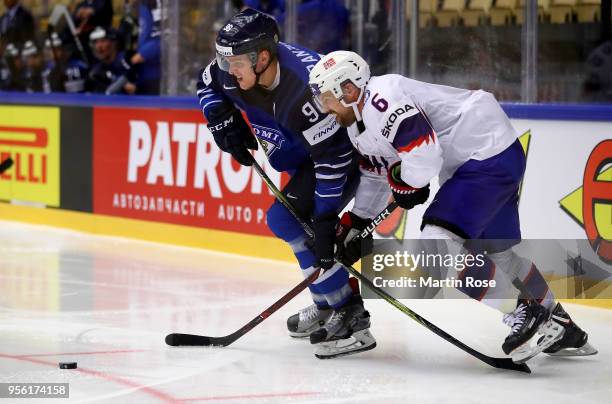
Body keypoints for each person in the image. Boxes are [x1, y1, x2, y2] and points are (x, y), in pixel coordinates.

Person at [308, 50, 598, 363]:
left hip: (484, 153)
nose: (324, 108)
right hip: (487, 156)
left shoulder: (384, 98)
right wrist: (357, 220)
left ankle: (527, 313)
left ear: (348, 90)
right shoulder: (357, 124)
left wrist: (405, 182)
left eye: (326, 98)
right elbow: (378, 174)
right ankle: (560, 323)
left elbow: (423, 156)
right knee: (499, 252)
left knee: (436, 246)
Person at [196, 8, 375, 359]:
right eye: (224, 60)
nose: (227, 70)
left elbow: (334, 159)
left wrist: (325, 218)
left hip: (342, 157)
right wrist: (218, 118)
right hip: (303, 156)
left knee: (290, 221)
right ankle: (329, 306)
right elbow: (205, 83)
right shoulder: (233, 69)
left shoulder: (305, 88)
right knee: (293, 223)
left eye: (234, 63)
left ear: (263, 57)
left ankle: (350, 315)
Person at [87, 26, 131, 94]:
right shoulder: (96, 71)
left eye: (103, 41)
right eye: (95, 42)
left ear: (114, 43)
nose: (98, 46)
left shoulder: (127, 62)